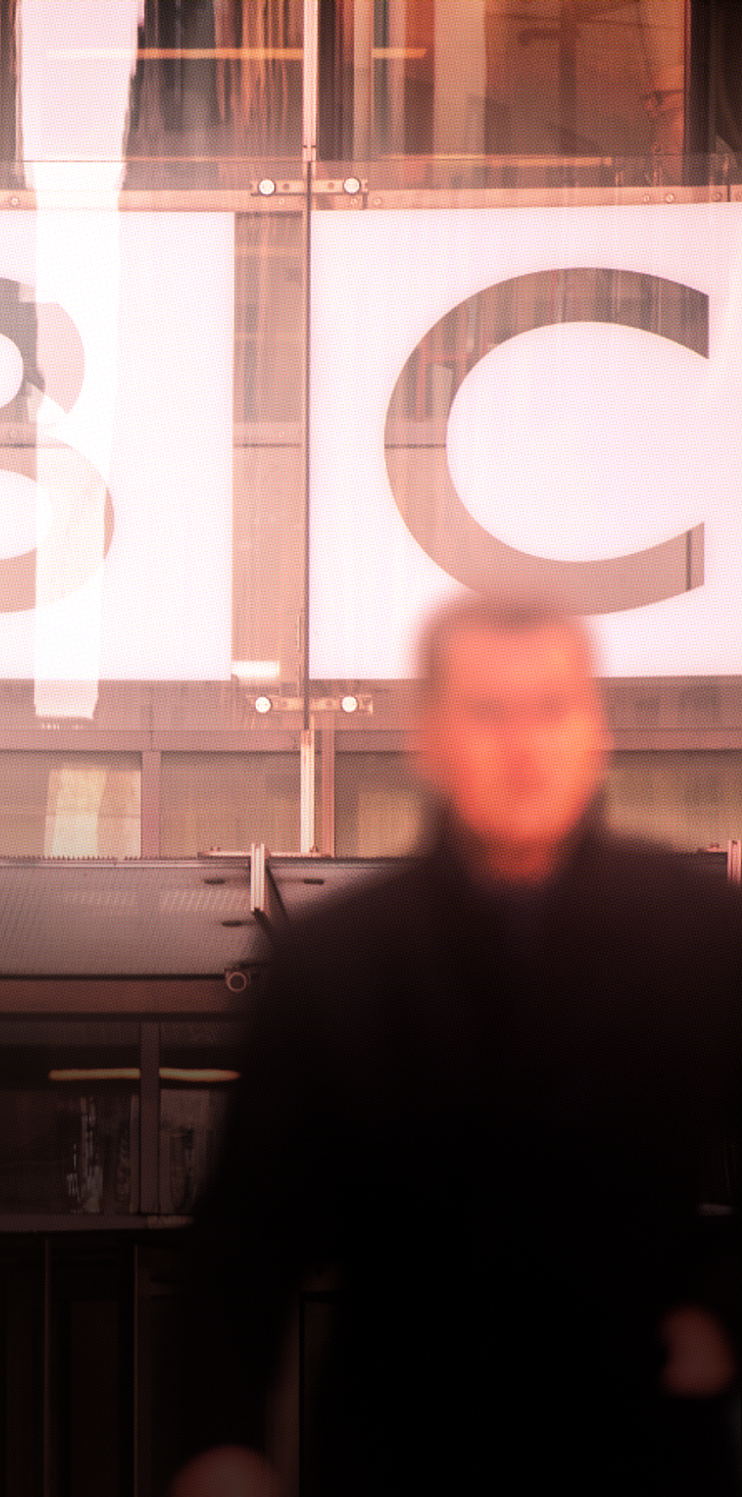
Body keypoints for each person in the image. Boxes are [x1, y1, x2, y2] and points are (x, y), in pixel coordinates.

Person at [174, 594, 742, 1497]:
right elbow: (247, 1227)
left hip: (636, 1439)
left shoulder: (703, 935)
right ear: (428, 739)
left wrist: (724, 1309)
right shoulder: (337, 960)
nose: (525, 747)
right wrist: (218, 1439)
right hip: (412, 1443)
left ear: (594, 730)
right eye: (489, 713)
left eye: (551, 710)